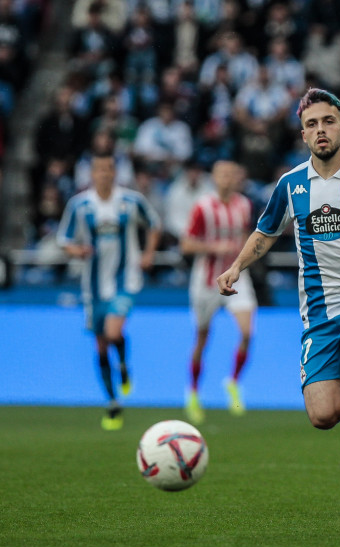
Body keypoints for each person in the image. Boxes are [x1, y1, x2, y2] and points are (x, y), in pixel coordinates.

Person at [217, 88, 340, 514]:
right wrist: (236, 267)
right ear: (303, 135)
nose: (320, 131)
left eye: (326, 122)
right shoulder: (290, 184)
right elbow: (265, 232)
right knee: (322, 415)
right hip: (318, 316)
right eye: (311, 125)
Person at [58, 152, 162, 430]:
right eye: (99, 169)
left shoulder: (130, 201)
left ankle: (124, 365)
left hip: (125, 279)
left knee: (114, 332)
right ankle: (113, 401)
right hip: (92, 286)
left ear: (114, 172)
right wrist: (76, 250)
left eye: (108, 169)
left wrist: (149, 253)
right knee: (101, 344)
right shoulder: (80, 205)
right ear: (91, 174)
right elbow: (63, 239)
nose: (104, 173)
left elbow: (154, 224)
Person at [180, 160, 257, 424]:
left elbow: (247, 236)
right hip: (207, 280)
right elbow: (186, 244)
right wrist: (215, 248)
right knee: (202, 338)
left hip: (237, 276)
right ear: (214, 177)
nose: (227, 178)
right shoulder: (203, 206)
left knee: (247, 332)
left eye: (231, 174)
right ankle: (193, 392)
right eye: (222, 173)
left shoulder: (244, 205)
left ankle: (233, 382)